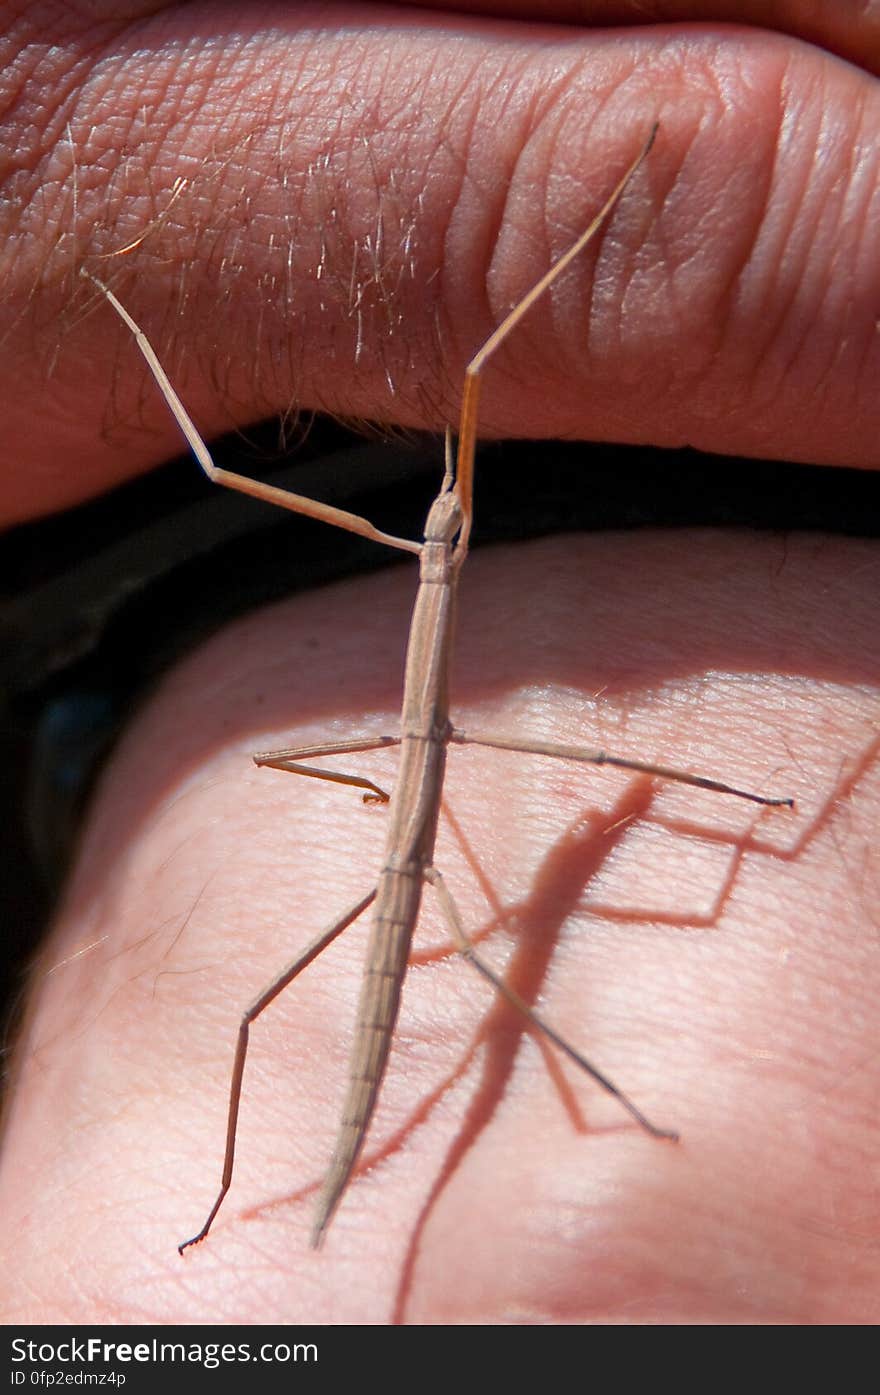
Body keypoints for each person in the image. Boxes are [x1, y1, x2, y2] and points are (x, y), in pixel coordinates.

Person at [1, 1, 878, 1323]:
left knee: (281, 1016)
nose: (442, 516)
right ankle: (351, 1169)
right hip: (402, 858)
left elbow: (281, 450)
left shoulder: (428, 545)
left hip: (361, 786)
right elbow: (236, 460)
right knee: (287, 1019)